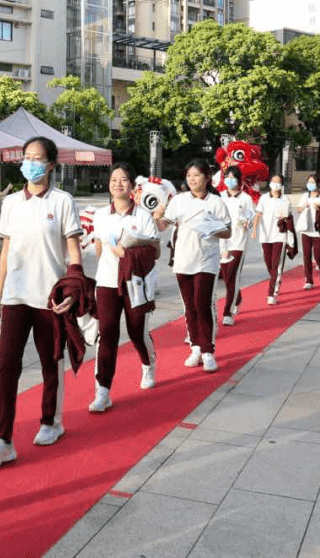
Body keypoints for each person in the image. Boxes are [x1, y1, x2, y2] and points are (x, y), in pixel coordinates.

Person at [0, 137, 83, 470]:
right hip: (15, 296)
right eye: (27, 157)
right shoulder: (10, 203)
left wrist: (73, 287)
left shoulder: (63, 201)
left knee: (51, 362)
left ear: (51, 164)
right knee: (6, 367)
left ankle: (51, 421)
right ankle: (2, 441)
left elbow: (73, 249)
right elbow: (6, 250)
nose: (31, 163)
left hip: (49, 297)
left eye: (38, 158)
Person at [88, 163, 161, 413]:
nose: (118, 184)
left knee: (136, 331)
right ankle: (103, 390)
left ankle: (148, 363)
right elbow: (98, 246)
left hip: (135, 283)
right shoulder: (100, 216)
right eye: (114, 180)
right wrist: (106, 269)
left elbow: (156, 251)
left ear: (131, 186)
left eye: (124, 179)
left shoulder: (142, 216)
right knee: (106, 334)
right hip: (107, 282)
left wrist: (128, 254)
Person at [153, 159, 232, 373]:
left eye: (196, 175)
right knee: (189, 307)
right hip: (183, 261)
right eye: (189, 176)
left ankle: (208, 351)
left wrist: (210, 229)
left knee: (203, 304)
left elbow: (228, 231)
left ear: (207, 177)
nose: (192, 180)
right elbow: (162, 226)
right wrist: (155, 217)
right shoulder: (179, 201)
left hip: (206, 260)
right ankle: (195, 346)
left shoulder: (216, 202)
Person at [218, 165, 255, 326]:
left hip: (239, 242)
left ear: (239, 180)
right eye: (227, 177)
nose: (230, 180)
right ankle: (237, 298)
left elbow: (251, 216)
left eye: (233, 177)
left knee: (232, 277)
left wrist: (248, 222)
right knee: (227, 278)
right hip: (222, 242)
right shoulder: (219, 197)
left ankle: (227, 312)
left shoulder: (245, 198)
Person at [253, 175, 293, 305]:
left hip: (279, 235)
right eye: (273, 182)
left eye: (278, 182)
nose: (275, 184)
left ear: (282, 185)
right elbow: (258, 213)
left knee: (276, 264)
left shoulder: (285, 200)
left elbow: (288, 217)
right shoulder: (264, 198)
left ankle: (271, 293)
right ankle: (276, 279)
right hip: (265, 235)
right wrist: (254, 229)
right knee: (268, 263)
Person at [295, 175, 320, 289]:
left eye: (313, 182)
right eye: (309, 182)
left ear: (318, 183)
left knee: (318, 256)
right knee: (306, 256)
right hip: (305, 230)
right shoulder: (305, 196)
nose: (310, 184)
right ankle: (309, 280)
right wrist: (304, 206)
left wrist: (319, 208)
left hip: (317, 231)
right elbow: (298, 209)